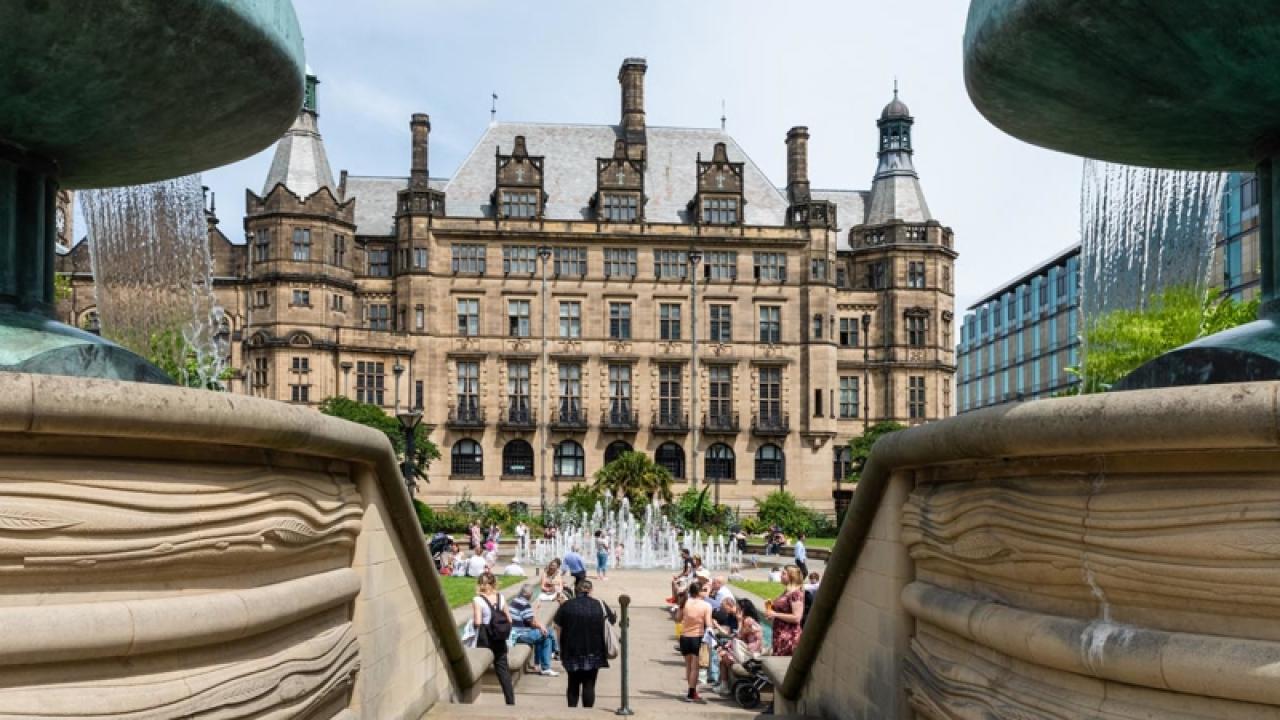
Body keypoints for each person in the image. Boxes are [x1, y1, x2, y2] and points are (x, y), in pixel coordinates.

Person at [553, 578, 616, 708]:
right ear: (591, 590)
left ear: (576, 590)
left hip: (571, 651)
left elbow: (558, 627)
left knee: (573, 684)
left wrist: (560, 648)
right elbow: (612, 621)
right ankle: (587, 714)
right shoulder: (600, 604)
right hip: (595, 650)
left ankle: (572, 713)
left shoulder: (567, 605)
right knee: (589, 684)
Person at [471, 572, 515, 705]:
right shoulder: (501, 597)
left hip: (485, 638)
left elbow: (478, 622)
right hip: (499, 638)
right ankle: (510, 702)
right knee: (503, 672)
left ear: (480, 584)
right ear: (494, 583)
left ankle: (475, 700)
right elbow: (510, 619)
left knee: (477, 667)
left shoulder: (477, 599)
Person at [714, 597, 764, 696]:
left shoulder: (747, 621)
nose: (736, 610)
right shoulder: (748, 620)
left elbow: (740, 636)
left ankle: (724, 685)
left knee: (723, 656)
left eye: (738, 608)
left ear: (743, 610)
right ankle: (723, 684)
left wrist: (739, 621)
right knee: (722, 655)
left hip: (750, 654)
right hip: (747, 650)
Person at [509, 584, 558, 676]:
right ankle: (556, 651)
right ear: (529, 595)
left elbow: (529, 620)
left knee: (545, 637)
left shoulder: (515, 601)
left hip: (516, 633)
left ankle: (544, 667)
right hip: (521, 635)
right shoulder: (524, 604)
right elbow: (532, 622)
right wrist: (541, 625)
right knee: (549, 631)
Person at [676, 581, 713, 703]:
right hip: (697, 637)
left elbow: (678, 619)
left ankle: (692, 690)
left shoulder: (685, 602)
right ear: (699, 591)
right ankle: (691, 694)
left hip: (684, 637)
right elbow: (708, 625)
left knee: (688, 666)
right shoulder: (706, 606)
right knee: (695, 668)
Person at [766, 566, 806, 656]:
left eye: (783, 574)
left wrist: (775, 614)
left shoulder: (796, 594)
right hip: (780, 635)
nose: (780, 575)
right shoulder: (787, 592)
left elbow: (797, 618)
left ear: (791, 576)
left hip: (789, 637)